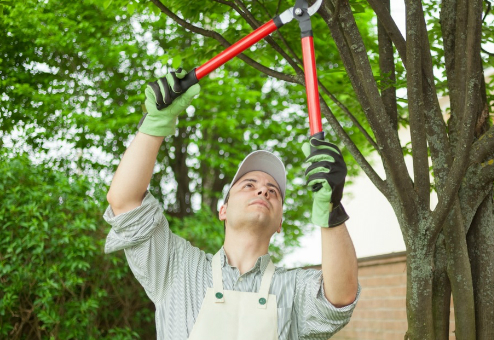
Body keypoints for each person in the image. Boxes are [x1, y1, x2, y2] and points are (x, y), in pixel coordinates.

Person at [103, 69, 360, 340]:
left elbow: (340, 298)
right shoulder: (178, 268)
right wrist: (154, 126)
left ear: (280, 223)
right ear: (222, 210)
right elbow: (125, 202)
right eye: (249, 185)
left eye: (273, 191)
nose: (263, 189)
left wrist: (330, 208)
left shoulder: (295, 288)